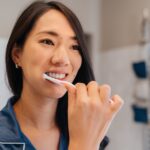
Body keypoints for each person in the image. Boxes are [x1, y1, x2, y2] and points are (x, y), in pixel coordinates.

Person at [0, 1, 124, 150]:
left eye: (74, 47)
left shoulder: (87, 130)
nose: (63, 59)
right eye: (48, 41)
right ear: (17, 55)